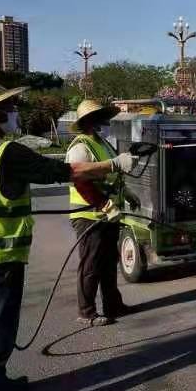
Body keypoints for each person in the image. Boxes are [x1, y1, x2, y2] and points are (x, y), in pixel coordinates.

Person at [0, 79, 136, 391]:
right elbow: (60, 172)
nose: (15, 112)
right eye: (10, 107)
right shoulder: (3, 151)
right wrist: (114, 163)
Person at [66, 100, 141, 327]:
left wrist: (126, 193)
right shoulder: (80, 147)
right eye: (102, 118)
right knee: (91, 264)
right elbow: (81, 182)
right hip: (89, 216)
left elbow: (112, 173)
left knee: (109, 262)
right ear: (90, 122)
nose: (107, 122)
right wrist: (104, 205)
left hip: (108, 214)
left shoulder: (104, 144)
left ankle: (113, 304)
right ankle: (87, 312)